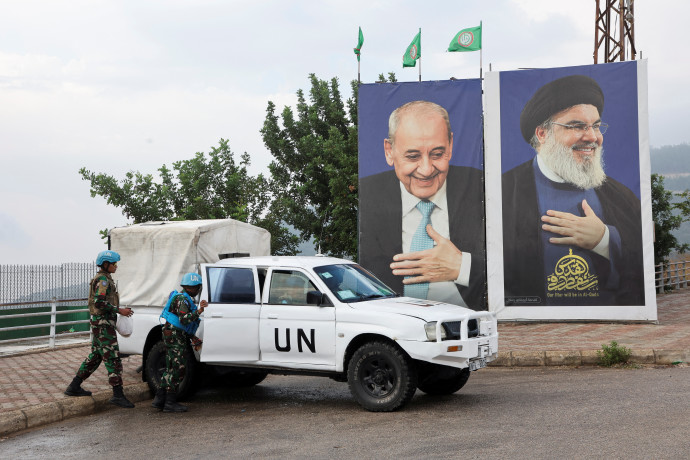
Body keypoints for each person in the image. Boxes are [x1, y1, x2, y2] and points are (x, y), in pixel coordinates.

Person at [502, 74, 644, 306]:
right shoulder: (504, 192)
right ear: (542, 134)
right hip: (531, 326)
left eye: (596, 126)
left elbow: (642, 262)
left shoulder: (622, 197)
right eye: (577, 126)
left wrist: (605, 239)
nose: (592, 137)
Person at [359, 100, 486, 310]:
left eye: (437, 154)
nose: (426, 170)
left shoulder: (483, 186)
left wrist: (463, 267)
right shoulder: (370, 195)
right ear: (389, 151)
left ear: (451, 145)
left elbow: (518, 269)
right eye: (413, 156)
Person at [64, 250, 135, 408]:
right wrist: (119, 310)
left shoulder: (105, 278)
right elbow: (99, 302)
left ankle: (74, 386)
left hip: (101, 323)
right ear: (105, 264)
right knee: (113, 358)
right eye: (114, 264)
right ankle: (118, 395)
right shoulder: (103, 280)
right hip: (103, 324)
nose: (116, 266)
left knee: (96, 357)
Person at [151, 272, 207, 413]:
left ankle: (159, 399)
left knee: (170, 367)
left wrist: (192, 337)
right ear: (192, 287)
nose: (199, 290)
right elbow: (184, 319)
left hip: (174, 335)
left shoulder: (183, 298)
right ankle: (170, 403)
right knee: (178, 368)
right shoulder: (182, 300)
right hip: (175, 337)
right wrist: (199, 310)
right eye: (198, 287)